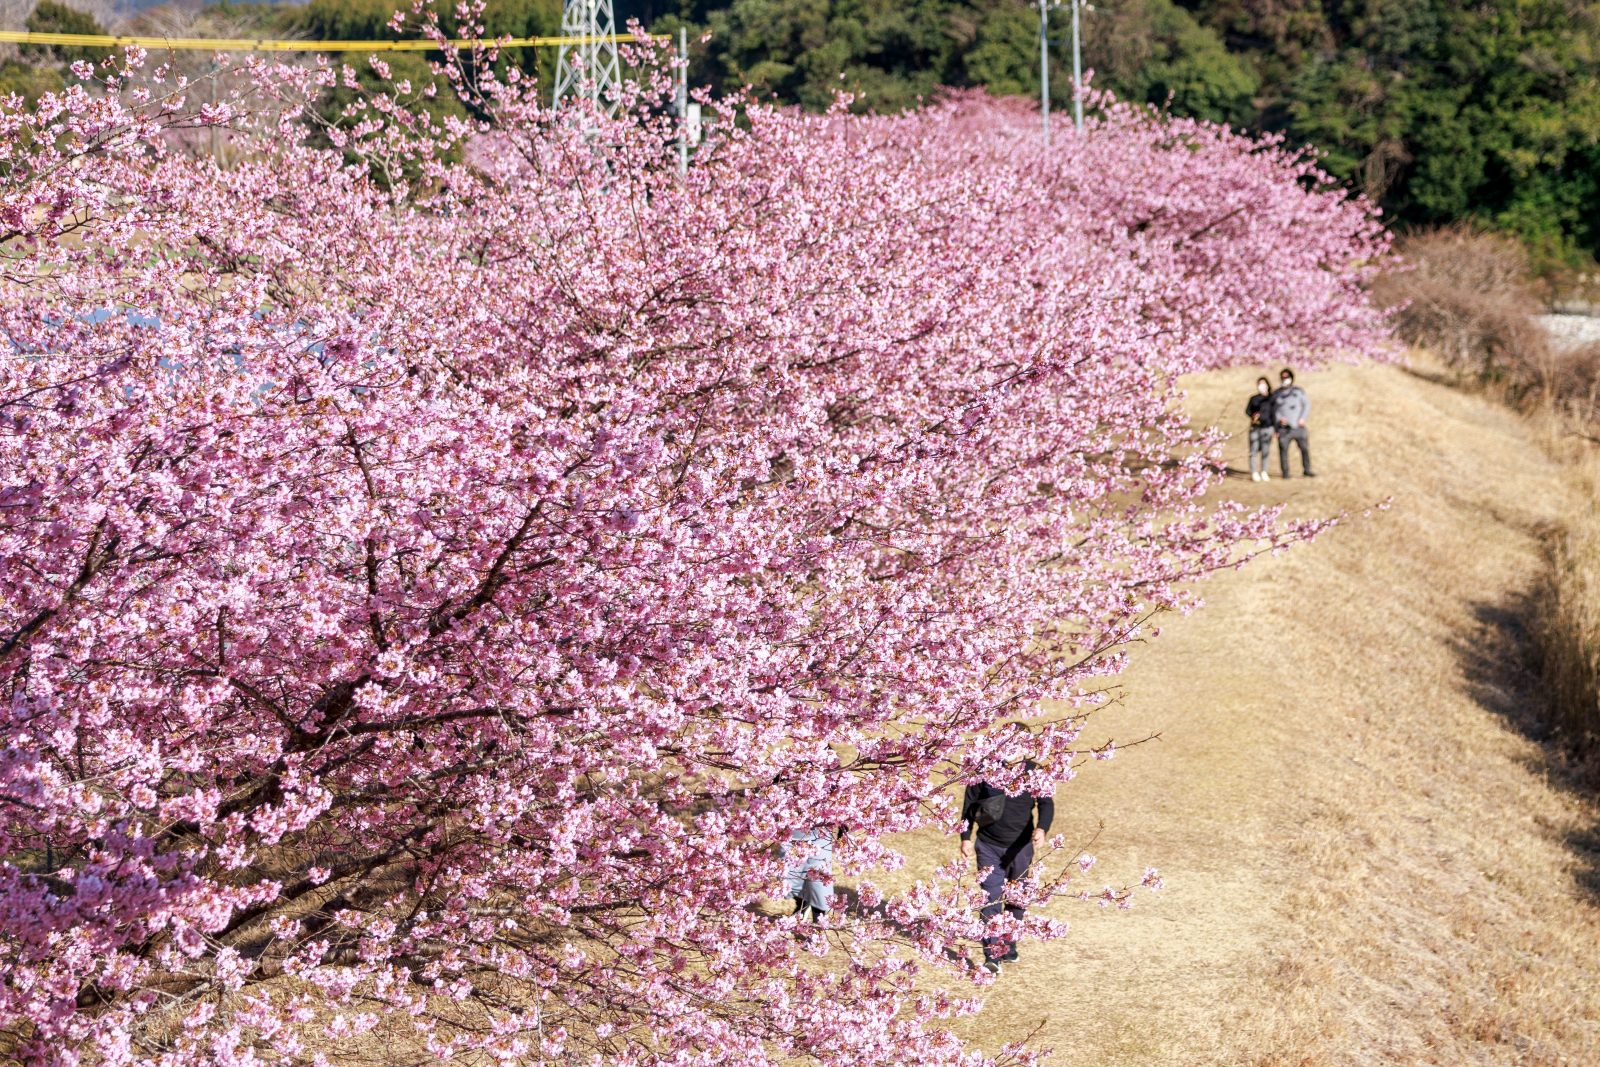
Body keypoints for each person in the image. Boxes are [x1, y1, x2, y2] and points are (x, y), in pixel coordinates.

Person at [959, 726, 1055, 974]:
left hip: (1020, 848)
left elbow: (1046, 804)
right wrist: (965, 837)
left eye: (1019, 743)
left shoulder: (1034, 772)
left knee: (1017, 898)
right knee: (990, 897)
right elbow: (969, 806)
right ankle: (992, 956)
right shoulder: (985, 770)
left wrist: (1042, 829)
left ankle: (1008, 942)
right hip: (988, 845)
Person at [781, 824, 842, 924]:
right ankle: (803, 904)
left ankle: (818, 923)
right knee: (789, 878)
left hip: (820, 832)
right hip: (790, 833)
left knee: (819, 882)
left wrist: (843, 826)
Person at [1273, 368, 1315, 478]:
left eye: (1287, 377)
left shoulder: (1298, 391)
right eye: (1282, 377)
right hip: (1283, 428)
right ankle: (1285, 472)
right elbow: (1274, 409)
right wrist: (1279, 419)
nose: (1284, 379)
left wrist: (1302, 418)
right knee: (1283, 450)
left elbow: (1306, 405)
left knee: (1304, 449)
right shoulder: (1276, 393)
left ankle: (1307, 469)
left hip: (1298, 426)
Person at [1245, 376, 1276, 482]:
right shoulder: (1254, 399)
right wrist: (1253, 415)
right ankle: (1254, 472)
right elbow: (1247, 411)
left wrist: (1275, 429)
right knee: (1253, 450)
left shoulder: (1272, 398)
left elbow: (1274, 413)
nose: (1261, 386)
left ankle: (1264, 471)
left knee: (1265, 451)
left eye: (1263, 383)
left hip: (1267, 427)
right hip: (1255, 427)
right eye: (1259, 384)